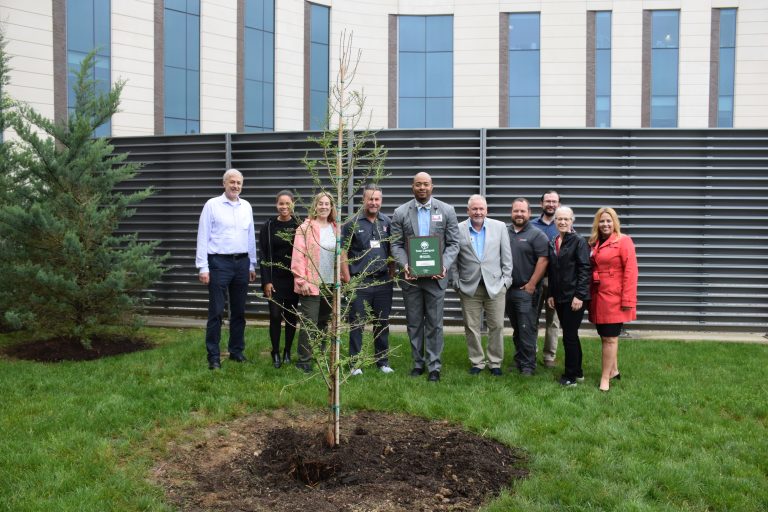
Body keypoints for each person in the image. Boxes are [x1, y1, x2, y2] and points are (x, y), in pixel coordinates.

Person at [391, 172, 460, 382]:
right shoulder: (400, 212)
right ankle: (418, 363)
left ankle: (434, 366)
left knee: (435, 323)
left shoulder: (447, 210)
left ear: (432, 186)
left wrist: (444, 265)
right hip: (411, 279)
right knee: (414, 323)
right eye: (418, 184)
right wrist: (405, 265)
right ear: (412, 187)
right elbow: (396, 244)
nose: (422, 188)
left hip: (436, 279)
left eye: (426, 184)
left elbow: (453, 243)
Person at [195, 168, 257, 370]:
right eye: (232, 182)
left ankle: (236, 351)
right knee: (216, 311)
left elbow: (250, 236)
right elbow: (203, 236)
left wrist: (252, 263)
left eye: (239, 183)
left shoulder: (246, 206)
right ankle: (213, 356)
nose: (235, 186)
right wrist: (203, 267)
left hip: (242, 263)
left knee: (239, 311)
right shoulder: (212, 205)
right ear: (224, 183)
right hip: (218, 264)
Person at [450, 195, 513, 376]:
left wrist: (506, 281)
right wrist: (456, 282)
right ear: (468, 211)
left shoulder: (499, 227)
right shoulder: (458, 229)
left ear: (486, 210)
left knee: (497, 326)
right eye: (474, 209)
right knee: (471, 327)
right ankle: (477, 362)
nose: (478, 212)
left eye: (481, 209)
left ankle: (495, 362)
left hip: (495, 286)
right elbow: (453, 259)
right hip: (469, 287)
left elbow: (507, 257)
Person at [340, 184, 395, 375]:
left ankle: (382, 362)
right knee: (357, 323)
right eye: (370, 199)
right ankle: (355, 363)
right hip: (359, 281)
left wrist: (392, 273)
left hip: (382, 282)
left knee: (382, 322)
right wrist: (348, 280)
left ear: (381, 201)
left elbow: (391, 251)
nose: (373, 202)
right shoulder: (351, 223)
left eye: (377, 199)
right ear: (363, 200)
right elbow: (343, 253)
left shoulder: (387, 222)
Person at [588, 207, 638, 392]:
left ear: (615, 222)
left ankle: (605, 378)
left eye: (609, 221)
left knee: (610, 337)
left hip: (615, 298)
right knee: (605, 336)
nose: (605, 224)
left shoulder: (624, 241)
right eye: (602, 221)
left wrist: (628, 299)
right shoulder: (594, 242)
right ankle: (614, 370)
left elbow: (631, 271)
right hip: (598, 296)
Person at [291, 192, 338, 374]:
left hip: (330, 284)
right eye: (321, 203)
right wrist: (300, 279)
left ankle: (319, 356)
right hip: (311, 283)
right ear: (315, 206)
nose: (324, 207)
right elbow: (298, 255)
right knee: (309, 323)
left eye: (327, 204)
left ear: (331, 207)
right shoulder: (305, 228)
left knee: (323, 322)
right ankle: (304, 361)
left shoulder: (336, 228)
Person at [546, 206, 590, 387]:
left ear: (572, 221)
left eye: (566, 219)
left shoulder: (579, 241)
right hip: (559, 297)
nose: (562, 222)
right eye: (559, 219)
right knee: (570, 335)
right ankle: (578, 372)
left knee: (569, 336)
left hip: (574, 297)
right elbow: (552, 270)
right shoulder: (554, 241)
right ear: (554, 221)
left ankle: (570, 376)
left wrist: (579, 295)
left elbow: (585, 269)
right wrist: (551, 294)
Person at [506, 198, 550, 376]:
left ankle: (528, 366)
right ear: (511, 212)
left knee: (527, 328)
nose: (519, 214)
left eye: (522, 211)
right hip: (508, 289)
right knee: (517, 328)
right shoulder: (505, 231)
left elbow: (543, 260)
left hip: (526, 290)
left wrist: (532, 284)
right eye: (516, 211)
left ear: (529, 213)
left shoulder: (537, 234)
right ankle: (519, 360)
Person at [258, 190, 301, 369]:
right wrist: (266, 281)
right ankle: (275, 351)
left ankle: (287, 351)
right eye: (281, 203)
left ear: (293, 204)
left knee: (291, 317)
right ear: (276, 205)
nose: (284, 207)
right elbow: (263, 255)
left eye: (287, 203)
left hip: (292, 279)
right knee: (275, 316)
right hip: (274, 279)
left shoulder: (299, 226)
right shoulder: (268, 226)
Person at [531, 190, 561, 367]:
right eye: (548, 201)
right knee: (531, 318)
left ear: (558, 204)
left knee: (553, 320)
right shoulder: (532, 225)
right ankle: (531, 353)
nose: (551, 204)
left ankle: (549, 356)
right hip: (535, 278)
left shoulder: (563, 224)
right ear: (541, 203)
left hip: (555, 280)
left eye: (554, 201)